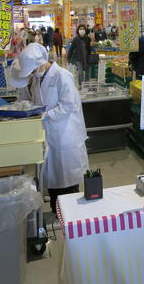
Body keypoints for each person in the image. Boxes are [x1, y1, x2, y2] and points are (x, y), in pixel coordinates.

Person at [7, 44, 89, 211]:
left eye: (33, 69)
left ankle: (70, 216)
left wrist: (43, 115)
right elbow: (31, 98)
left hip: (65, 134)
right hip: (48, 133)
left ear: (41, 62)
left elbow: (67, 106)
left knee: (67, 184)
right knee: (53, 179)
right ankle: (56, 209)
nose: (32, 73)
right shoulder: (36, 77)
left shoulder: (62, 76)